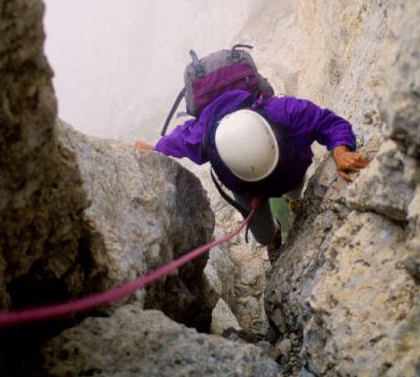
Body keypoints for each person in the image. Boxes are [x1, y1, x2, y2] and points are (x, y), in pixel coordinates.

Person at [135, 88, 368, 262]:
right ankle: (275, 233)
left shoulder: (284, 112)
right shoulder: (203, 137)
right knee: (264, 236)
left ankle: (293, 200)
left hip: (288, 170)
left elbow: (328, 122)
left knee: (295, 187)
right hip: (250, 189)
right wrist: (152, 150)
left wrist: (340, 149)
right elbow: (171, 144)